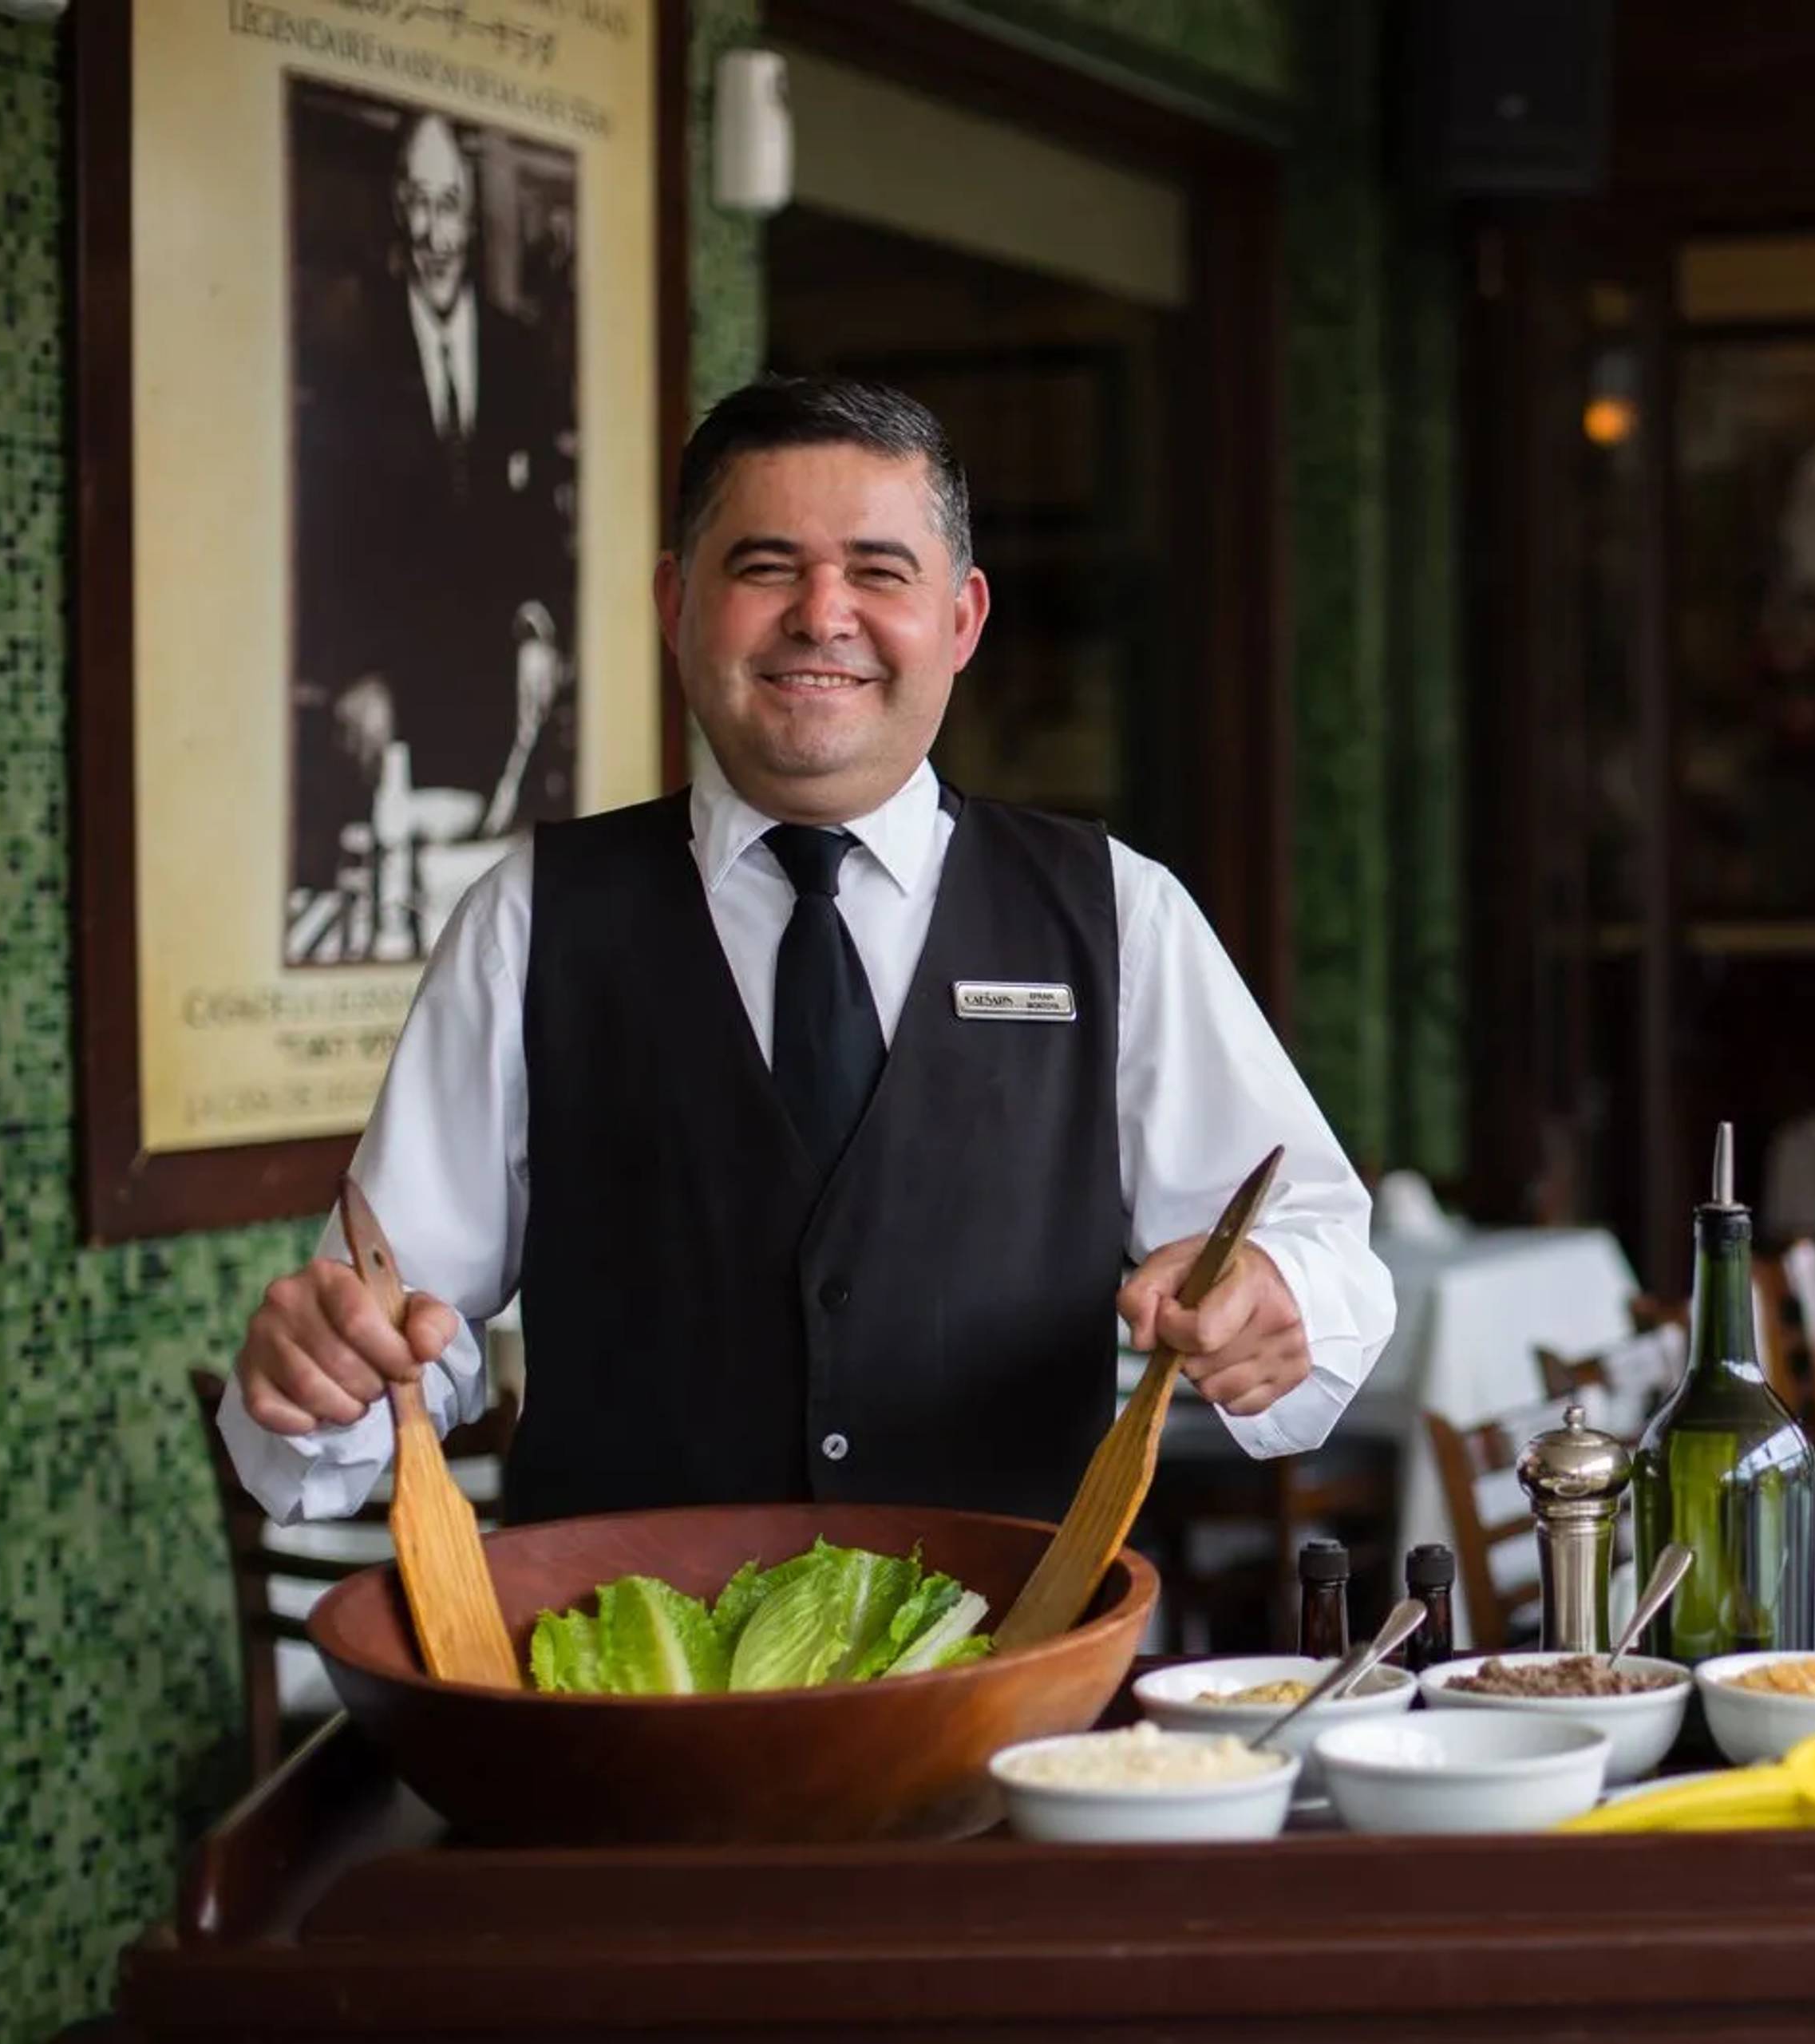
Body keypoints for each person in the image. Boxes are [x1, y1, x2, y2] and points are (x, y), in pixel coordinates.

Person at [226, 376, 1394, 1525]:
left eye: (880, 572)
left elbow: (1316, 1239)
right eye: (765, 566)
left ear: (962, 619)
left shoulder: (1115, 913)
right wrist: (323, 1375)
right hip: (627, 1685)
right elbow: (390, 1330)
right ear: (676, 604)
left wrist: (1275, 1296)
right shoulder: (531, 918)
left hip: (1015, 1674)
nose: (822, 614)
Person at [291, 106, 575, 954]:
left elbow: (540, 518)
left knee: (492, 919)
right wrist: (351, 671)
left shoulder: (522, 352)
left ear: (469, 215)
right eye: (416, 202)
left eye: (448, 204)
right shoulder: (351, 346)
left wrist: (537, 624)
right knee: (397, 918)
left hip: (492, 690)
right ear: (394, 208)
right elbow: (324, 530)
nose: (432, 230)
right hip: (388, 693)